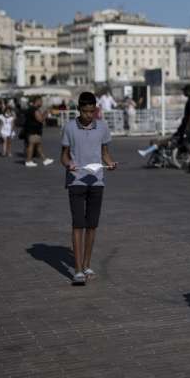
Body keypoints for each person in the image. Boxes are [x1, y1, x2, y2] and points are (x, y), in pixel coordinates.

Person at [60, 91, 117, 285]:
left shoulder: (102, 127)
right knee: (78, 224)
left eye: (92, 112)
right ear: (79, 110)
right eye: (85, 112)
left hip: (96, 181)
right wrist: (69, 165)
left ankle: (86, 264)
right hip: (76, 181)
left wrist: (111, 163)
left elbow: (105, 153)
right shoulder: (69, 127)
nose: (89, 116)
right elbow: (64, 156)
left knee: (92, 225)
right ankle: (77, 270)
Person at [24, 97, 54, 167]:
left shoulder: (30, 109)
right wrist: (46, 113)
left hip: (31, 130)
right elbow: (40, 119)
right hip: (33, 130)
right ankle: (28, 161)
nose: (41, 103)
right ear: (37, 101)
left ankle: (45, 160)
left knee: (38, 145)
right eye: (41, 101)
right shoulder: (35, 110)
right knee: (32, 145)